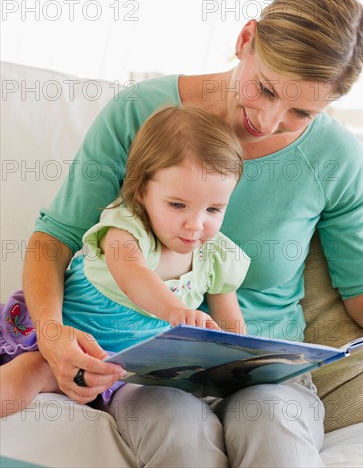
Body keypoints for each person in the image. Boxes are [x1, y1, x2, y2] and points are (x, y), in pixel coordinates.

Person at [20, 0, 363, 467]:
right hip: (149, 368)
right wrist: (52, 333)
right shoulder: (141, 113)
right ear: (246, 39)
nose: (268, 120)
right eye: (265, 89)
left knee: (273, 429)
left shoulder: (335, 158)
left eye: (301, 112)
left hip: (266, 373)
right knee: (176, 431)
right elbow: (54, 240)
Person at [1, 105, 249, 416]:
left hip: (121, 366)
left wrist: (244, 361)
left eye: (213, 209)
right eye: (177, 204)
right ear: (143, 190)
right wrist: (177, 312)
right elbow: (134, 277)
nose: (196, 224)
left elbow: (231, 326)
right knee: (32, 369)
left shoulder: (215, 255)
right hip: (66, 341)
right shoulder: (126, 227)